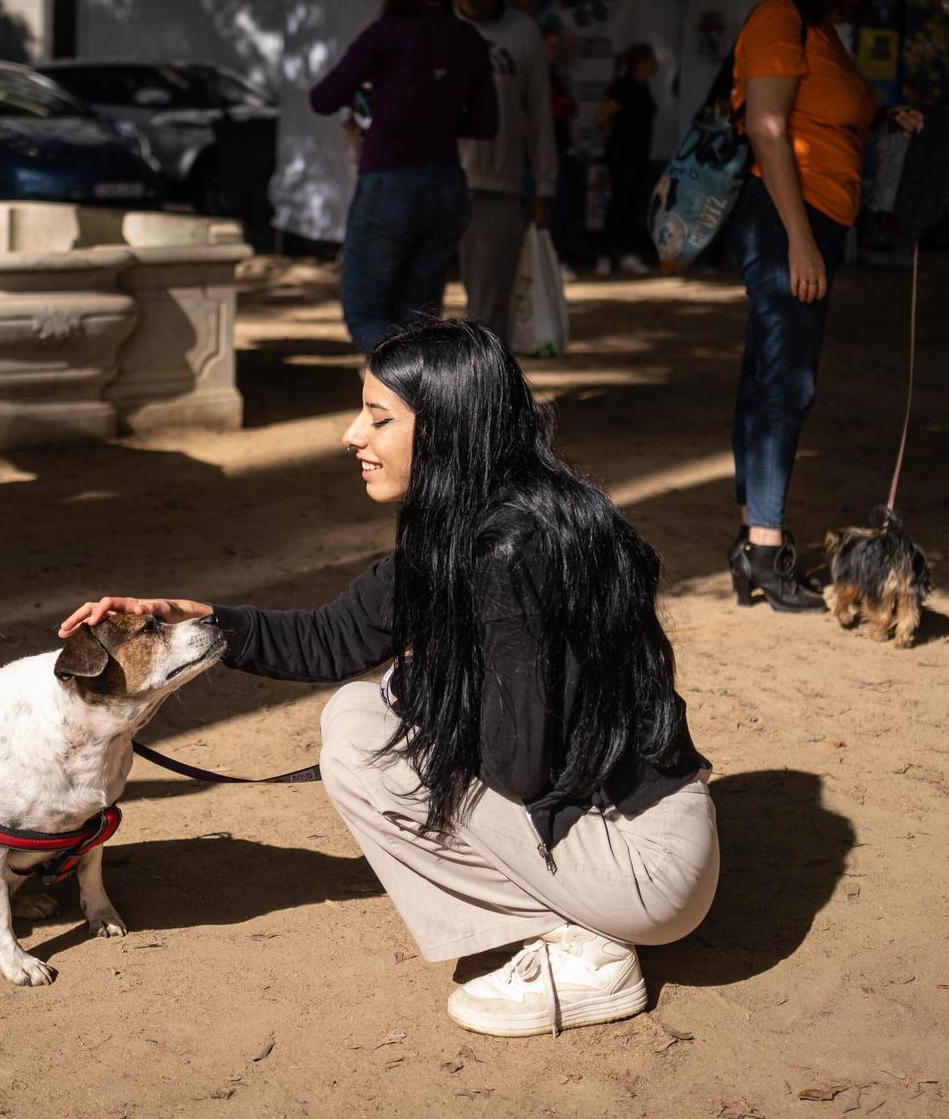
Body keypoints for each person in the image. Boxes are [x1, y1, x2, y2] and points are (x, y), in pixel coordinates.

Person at [58, 319, 716, 1038]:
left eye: (379, 417)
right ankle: (568, 917)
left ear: (445, 430)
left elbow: (518, 768)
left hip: (643, 864)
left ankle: (580, 948)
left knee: (364, 749)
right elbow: (333, 637)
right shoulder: (471, 523)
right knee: (351, 713)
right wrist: (196, 617)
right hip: (614, 825)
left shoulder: (512, 555)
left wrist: (420, 683)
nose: (351, 435)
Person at [725, 0, 924, 612]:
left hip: (812, 220)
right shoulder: (779, 18)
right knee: (787, 385)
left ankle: (756, 538)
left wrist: (886, 115)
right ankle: (768, 547)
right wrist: (800, 238)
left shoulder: (821, 31)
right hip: (787, 220)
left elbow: (830, 111)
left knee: (768, 379)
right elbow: (768, 129)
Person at [310, 0, 497, 355]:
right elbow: (487, 123)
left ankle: (401, 393)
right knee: (419, 320)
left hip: (388, 182)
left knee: (364, 312)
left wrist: (387, 106)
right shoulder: (468, 39)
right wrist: (437, 114)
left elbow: (322, 98)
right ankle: (417, 407)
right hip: (447, 185)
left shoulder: (385, 34)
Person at [450, 0, 557, 341]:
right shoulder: (444, 25)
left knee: (488, 311)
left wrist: (545, 186)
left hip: (498, 186)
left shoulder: (522, 32)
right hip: (441, 180)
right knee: (421, 304)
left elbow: (541, 115)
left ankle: (485, 398)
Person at [596, 42, 658, 276]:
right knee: (619, 204)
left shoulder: (644, 88)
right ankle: (604, 253)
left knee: (635, 205)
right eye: (651, 61)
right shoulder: (624, 87)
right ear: (640, 64)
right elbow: (602, 117)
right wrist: (618, 135)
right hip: (623, 154)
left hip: (640, 154)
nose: (655, 66)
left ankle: (627, 253)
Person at [540, 25, 586, 269]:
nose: (554, 52)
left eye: (558, 47)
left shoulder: (558, 76)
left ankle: (559, 256)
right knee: (552, 205)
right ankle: (553, 257)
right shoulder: (537, 76)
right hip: (541, 151)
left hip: (560, 147)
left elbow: (568, 109)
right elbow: (553, 108)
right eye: (550, 46)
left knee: (564, 204)